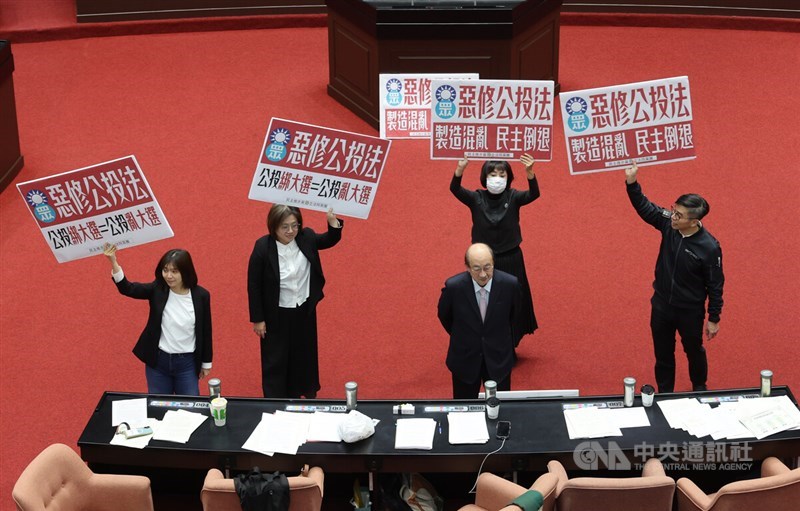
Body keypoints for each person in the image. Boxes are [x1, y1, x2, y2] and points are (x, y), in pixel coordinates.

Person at [625, 161, 724, 393]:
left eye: (679, 214)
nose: (673, 216)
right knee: (663, 354)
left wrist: (714, 317)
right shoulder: (670, 225)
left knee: (693, 350)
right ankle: (665, 394)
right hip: (661, 305)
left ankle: (699, 387)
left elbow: (715, 284)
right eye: (674, 209)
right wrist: (632, 183)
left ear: (694, 220)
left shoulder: (709, 247)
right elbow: (645, 207)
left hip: (689, 310)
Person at [247, 205, 343, 398]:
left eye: (294, 225)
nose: (291, 231)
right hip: (277, 314)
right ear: (273, 227)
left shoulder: (306, 238)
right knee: (276, 359)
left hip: (303, 310)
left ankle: (305, 393)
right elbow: (254, 285)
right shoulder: (263, 247)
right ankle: (275, 400)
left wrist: (333, 223)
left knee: (304, 354)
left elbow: (329, 239)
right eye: (285, 227)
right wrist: (258, 319)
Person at [450, 154, 540, 346]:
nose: (497, 178)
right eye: (492, 174)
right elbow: (455, 189)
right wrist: (460, 169)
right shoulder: (476, 198)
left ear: (507, 178)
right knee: (486, 304)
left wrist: (530, 172)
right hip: (484, 263)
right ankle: (487, 342)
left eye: (501, 174)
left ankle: (510, 343)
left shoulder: (514, 196)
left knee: (512, 302)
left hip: (511, 258)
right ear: (485, 177)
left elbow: (533, 195)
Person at [103, 243, 212, 395]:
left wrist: (206, 363)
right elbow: (128, 288)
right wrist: (113, 262)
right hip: (158, 363)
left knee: (190, 408)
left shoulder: (201, 295)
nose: (168, 276)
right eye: (165, 270)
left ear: (186, 272)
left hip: (187, 364)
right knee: (157, 409)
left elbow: (206, 330)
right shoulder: (157, 290)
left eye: (174, 271)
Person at [438, 243, 522, 399]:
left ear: (494, 264)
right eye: (477, 269)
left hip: (499, 359)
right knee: (464, 410)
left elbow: (514, 316)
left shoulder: (510, 285)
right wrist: (464, 335)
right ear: (467, 267)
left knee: (500, 409)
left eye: (487, 267)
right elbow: (445, 317)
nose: (483, 274)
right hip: (465, 359)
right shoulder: (453, 288)